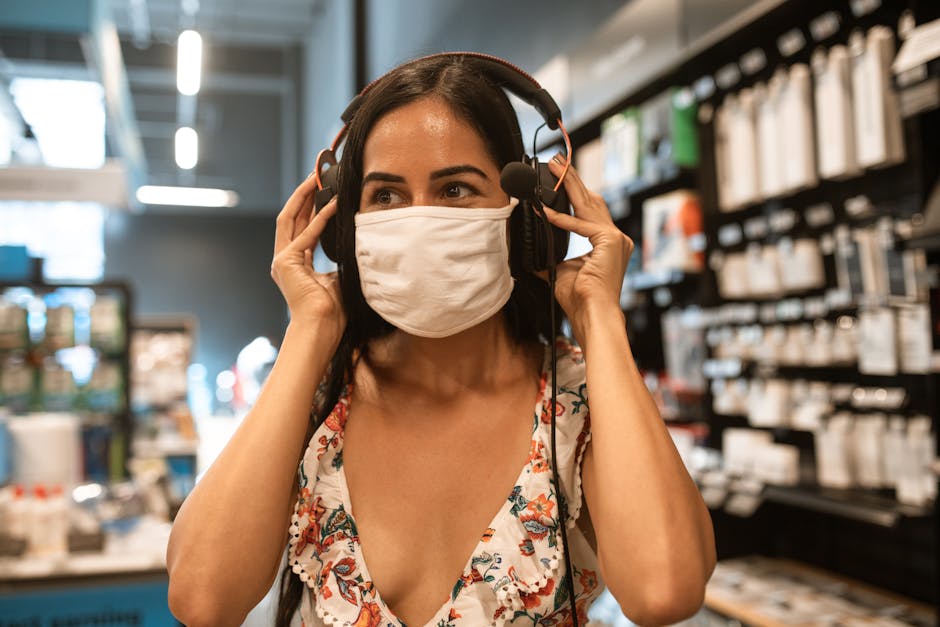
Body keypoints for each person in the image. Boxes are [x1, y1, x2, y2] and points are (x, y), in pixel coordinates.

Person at [166, 53, 716, 627]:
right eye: (386, 195)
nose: (419, 220)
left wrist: (599, 318)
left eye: (455, 189)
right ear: (343, 228)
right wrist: (310, 328)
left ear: (528, 217)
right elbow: (202, 599)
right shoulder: (317, 398)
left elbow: (664, 592)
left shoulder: (577, 403)